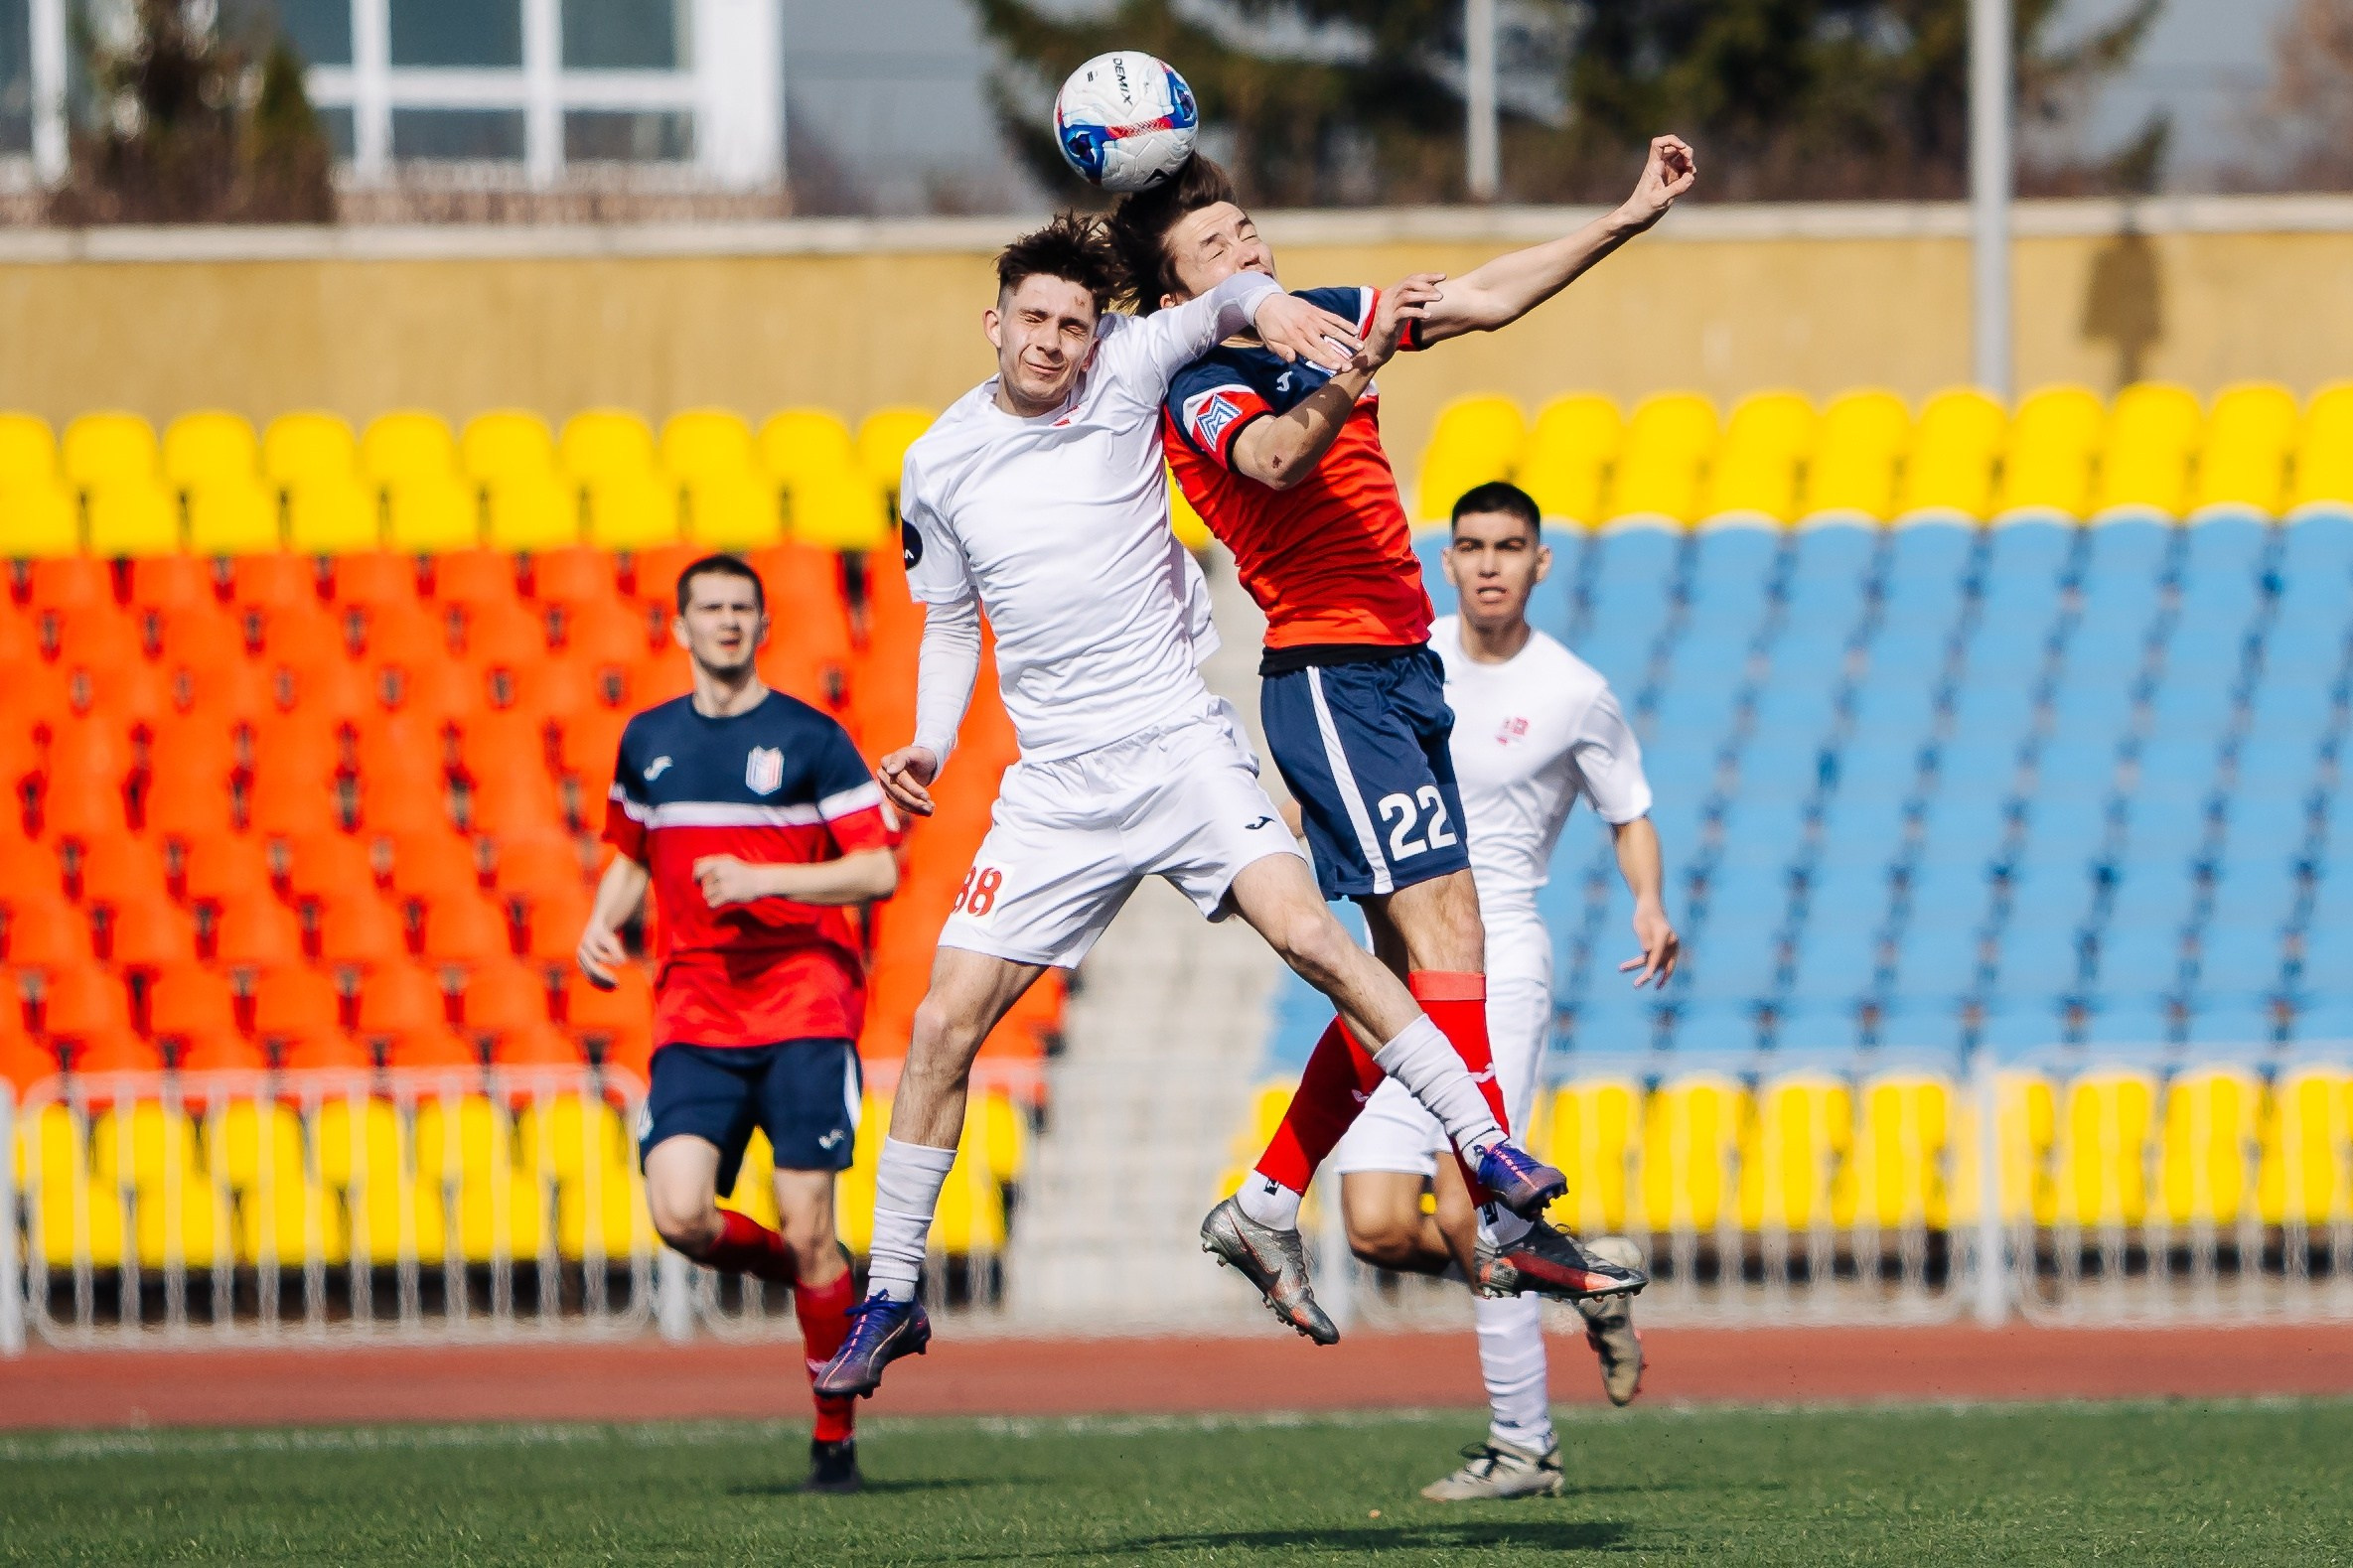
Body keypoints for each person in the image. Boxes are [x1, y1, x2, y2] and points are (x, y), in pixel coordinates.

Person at [811, 214, 1597, 1400]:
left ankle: (1483, 1149)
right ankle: (891, 1289)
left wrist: (1271, 302)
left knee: (1316, 938)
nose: (1054, 340)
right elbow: (953, 616)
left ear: (1099, 329)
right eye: (1033, 318)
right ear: (994, 323)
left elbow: (1222, 306)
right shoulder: (939, 461)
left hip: (1179, 745)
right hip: (1057, 788)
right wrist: (928, 737)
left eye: (1074, 322)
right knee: (939, 1028)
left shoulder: (1137, 364)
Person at [1103, 134, 1695, 1327]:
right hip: (1326, 672)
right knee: (1446, 932)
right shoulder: (1190, 381)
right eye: (1214, 245)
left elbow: (1481, 295)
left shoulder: (1326, 314)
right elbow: (1272, 462)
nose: (1246, 247)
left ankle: (1266, 1203)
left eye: (1246, 227)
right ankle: (1504, 1211)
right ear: (1181, 292)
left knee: (1391, 993)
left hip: (1398, 668)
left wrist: (1623, 216)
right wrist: (1350, 369)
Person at [1327, 483, 1678, 1500]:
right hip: (1399, 964)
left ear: (1540, 562)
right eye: (1471, 545)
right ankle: (1569, 1272)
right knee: (1377, 1224)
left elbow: (1630, 808)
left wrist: (1647, 903)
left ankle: (1525, 1444)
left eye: (1508, 545)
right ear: (1447, 560)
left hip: (1499, 957)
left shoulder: (1573, 690)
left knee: (1468, 1209)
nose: (1488, 562)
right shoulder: (1408, 657)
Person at [576, 553, 899, 1496]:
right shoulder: (648, 741)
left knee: (807, 1222)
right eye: (709, 608)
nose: (726, 621)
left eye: (741, 609)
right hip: (692, 1007)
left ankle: (832, 1441)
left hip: (804, 1002)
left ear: (764, 626)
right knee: (678, 1212)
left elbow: (875, 872)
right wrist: (603, 917)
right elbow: (630, 853)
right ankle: (817, 1274)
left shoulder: (811, 739)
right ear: (678, 628)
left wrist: (769, 880)